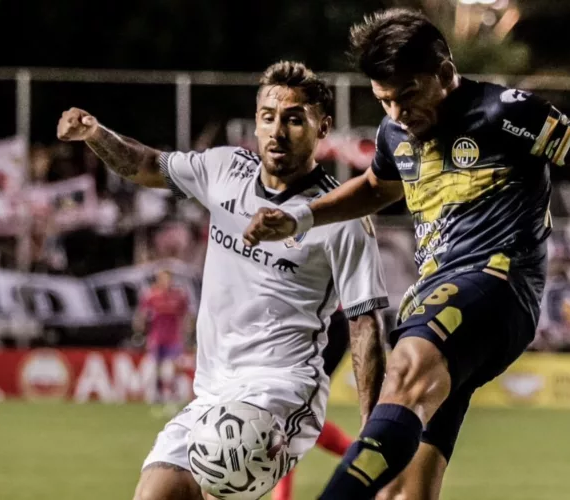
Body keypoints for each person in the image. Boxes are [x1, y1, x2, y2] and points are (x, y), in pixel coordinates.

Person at [242, 9, 570, 500]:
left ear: (444, 72)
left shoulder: (504, 113)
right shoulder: (395, 133)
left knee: (406, 367)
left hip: (497, 285)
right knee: (402, 491)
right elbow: (377, 188)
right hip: (440, 303)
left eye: (408, 96)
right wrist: (301, 216)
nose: (398, 113)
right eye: (384, 100)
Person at [57, 60, 389, 500]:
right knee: (155, 493)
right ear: (255, 121)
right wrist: (96, 134)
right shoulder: (223, 170)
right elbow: (147, 164)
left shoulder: (341, 217)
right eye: (268, 117)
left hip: (282, 390)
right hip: (212, 390)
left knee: (220, 482)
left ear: (322, 126)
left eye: (294, 119)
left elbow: (366, 325)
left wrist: (374, 429)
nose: (278, 131)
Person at [271, 307, 353, 500]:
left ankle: (368, 459)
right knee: (294, 419)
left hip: (324, 325)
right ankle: (366, 458)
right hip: (309, 324)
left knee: (291, 419)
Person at [133, 268, 192, 412]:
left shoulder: (179, 296)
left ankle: (169, 397)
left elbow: (186, 315)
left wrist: (187, 333)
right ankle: (154, 396)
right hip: (156, 337)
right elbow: (141, 315)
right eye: (162, 278)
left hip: (174, 338)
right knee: (154, 368)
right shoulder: (151, 295)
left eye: (167, 279)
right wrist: (139, 331)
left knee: (169, 369)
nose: (165, 282)